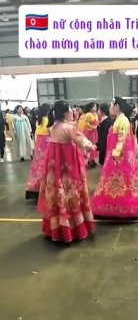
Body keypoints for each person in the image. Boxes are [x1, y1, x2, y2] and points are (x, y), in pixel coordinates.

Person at [38, 101, 96, 244]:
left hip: (55, 168)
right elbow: (81, 140)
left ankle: (56, 229)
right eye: (71, 110)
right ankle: (73, 228)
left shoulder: (53, 127)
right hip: (68, 167)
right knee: (71, 194)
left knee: (57, 195)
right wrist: (91, 146)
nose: (73, 113)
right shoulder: (68, 128)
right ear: (65, 112)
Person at [92, 97, 138, 218]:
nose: (110, 108)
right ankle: (115, 204)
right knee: (118, 181)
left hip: (119, 157)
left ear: (117, 106)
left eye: (111, 106)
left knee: (123, 181)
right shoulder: (119, 119)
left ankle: (125, 205)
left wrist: (116, 153)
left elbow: (122, 138)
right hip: (116, 156)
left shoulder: (122, 120)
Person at [26, 103, 50, 200]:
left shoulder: (39, 120)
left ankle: (34, 187)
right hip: (46, 144)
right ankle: (42, 188)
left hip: (40, 146)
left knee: (38, 167)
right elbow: (49, 132)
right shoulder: (46, 120)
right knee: (45, 166)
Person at [82, 103, 99, 168]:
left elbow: (96, 122)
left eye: (95, 106)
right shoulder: (88, 115)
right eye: (94, 107)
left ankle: (93, 160)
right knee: (90, 145)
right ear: (90, 108)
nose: (95, 108)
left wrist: (96, 126)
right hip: (89, 132)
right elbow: (86, 124)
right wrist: (93, 127)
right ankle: (89, 161)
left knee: (94, 145)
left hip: (94, 132)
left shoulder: (95, 114)